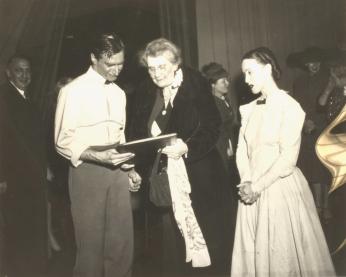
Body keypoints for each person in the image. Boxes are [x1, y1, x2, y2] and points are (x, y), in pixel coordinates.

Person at [128, 38, 236, 276]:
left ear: (176, 64)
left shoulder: (194, 83)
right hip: (162, 179)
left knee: (209, 240)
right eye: (151, 68)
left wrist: (187, 148)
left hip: (200, 175)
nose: (156, 74)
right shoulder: (146, 89)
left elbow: (212, 125)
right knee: (172, 247)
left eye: (162, 67)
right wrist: (133, 166)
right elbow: (136, 131)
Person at [231, 46, 335, 276]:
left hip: (278, 187)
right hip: (250, 189)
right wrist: (247, 182)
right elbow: (241, 150)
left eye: (251, 72)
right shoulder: (247, 109)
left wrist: (257, 186)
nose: (246, 80)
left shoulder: (290, 107)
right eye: (244, 74)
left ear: (268, 69)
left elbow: (287, 159)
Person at [55, 32, 141, 277]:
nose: (116, 70)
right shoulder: (73, 91)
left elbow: (120, 138)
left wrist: (129, 168)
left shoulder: (119, 93)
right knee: (91, 246)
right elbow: (62, 141)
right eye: (110, 64)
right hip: (87, 170)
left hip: (117, 170)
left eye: (121, 63)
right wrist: (96, 156)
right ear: (93, 58)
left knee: (122, 243)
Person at [0, 55, 49, 277]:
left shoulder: (26, 99)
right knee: (18, 231)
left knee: (30, 229)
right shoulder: (4, 98)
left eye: (28, 70)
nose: (24, 75)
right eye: (19, 70)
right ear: (8, 73)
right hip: (15, 178)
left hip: (31, 175)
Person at [289, 47, 332, 221]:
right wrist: (305, 122)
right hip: (307, 129)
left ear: (320, 62)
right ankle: (317, 205)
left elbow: (330, 106)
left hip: (325, 128)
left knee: (325, 168)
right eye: (308, 62)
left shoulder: (328, 80)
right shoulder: (298, 82)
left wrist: (316, 122)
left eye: (315, 62)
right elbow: (297, 105)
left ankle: (326, 205)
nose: (312, 65)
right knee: (313, 169)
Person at [200, 62, 240, 187]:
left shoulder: (224, 100)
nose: (227, 83)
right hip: (218, 149)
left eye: (227, 80)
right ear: (212, 85)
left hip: (227, 147)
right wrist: (227, 148)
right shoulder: (212, 104)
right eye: (223, 81)